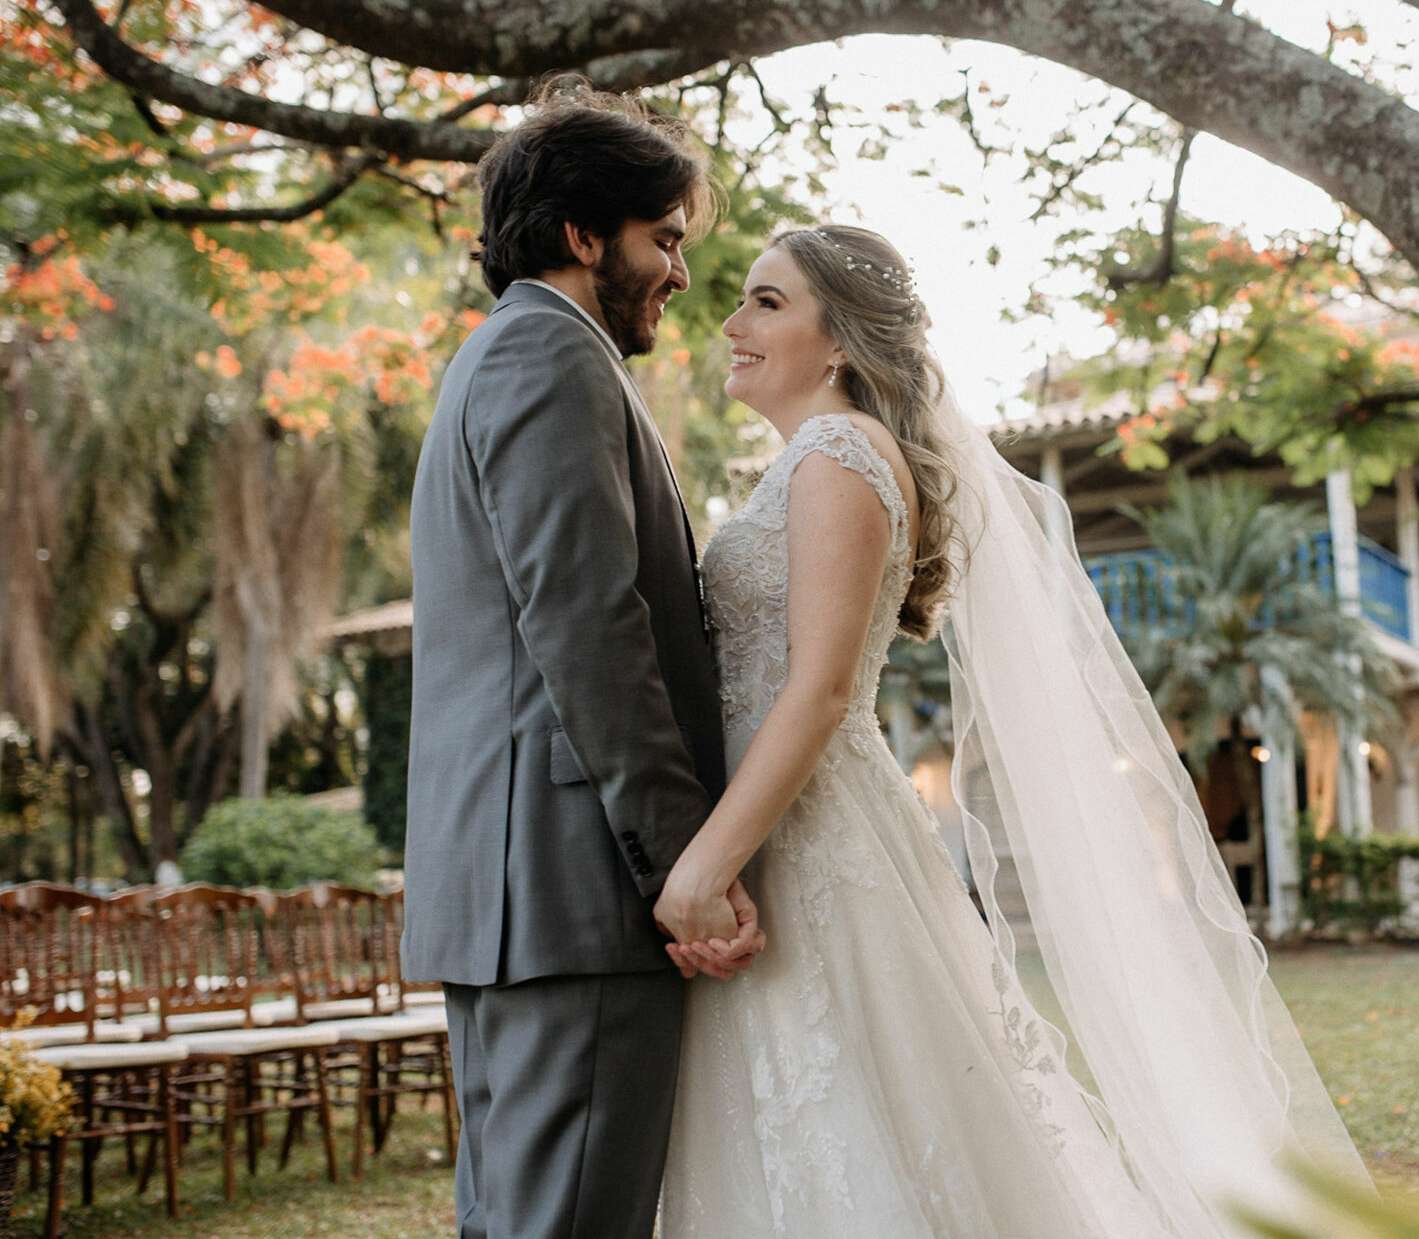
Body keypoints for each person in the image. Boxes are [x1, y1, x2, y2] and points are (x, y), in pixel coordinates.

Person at [654, 224, 1368, 1236]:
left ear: (843, 340)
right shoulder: (827, 458)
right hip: (798, 827)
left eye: (767, 302)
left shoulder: (838, 450)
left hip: (801, 838)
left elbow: (813, 693)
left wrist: (702, 869)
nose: (731, 323)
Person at [401, 80, 762, 1239]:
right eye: (664, 239)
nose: (681, 272)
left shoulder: (506, 356)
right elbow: (589, 629)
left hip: (521, 900)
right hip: (572, 894)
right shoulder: (547, 358)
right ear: (580, 232)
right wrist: (680, 865)